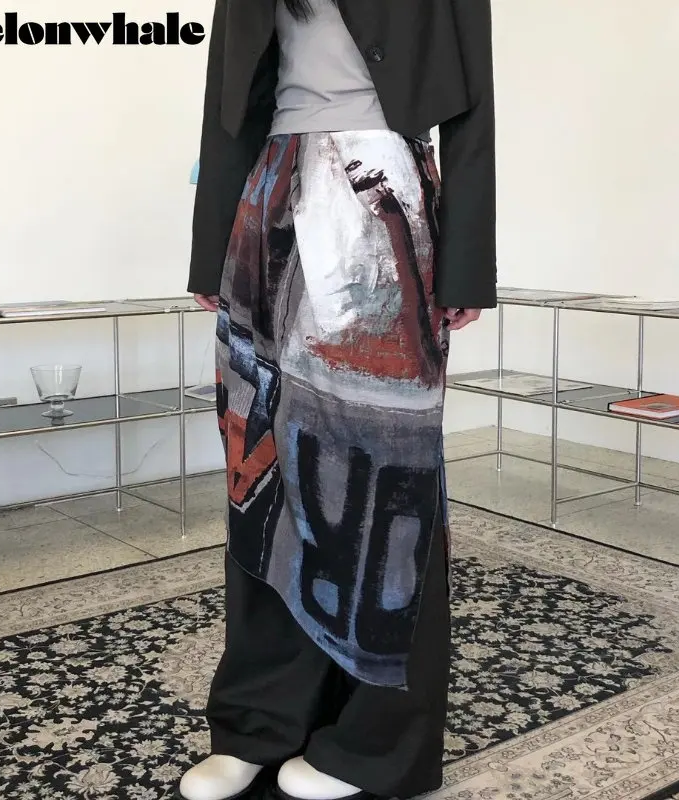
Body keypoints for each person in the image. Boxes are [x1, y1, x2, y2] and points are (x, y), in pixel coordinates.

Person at [179, 0, 496, 798]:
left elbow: (474, 103)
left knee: (389, 476)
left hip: (381, 193)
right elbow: (227, 97)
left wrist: (467, 262)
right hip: (268, 198)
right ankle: (259, 720)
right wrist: (211, 244)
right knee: (260, 471)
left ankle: (378, 741)